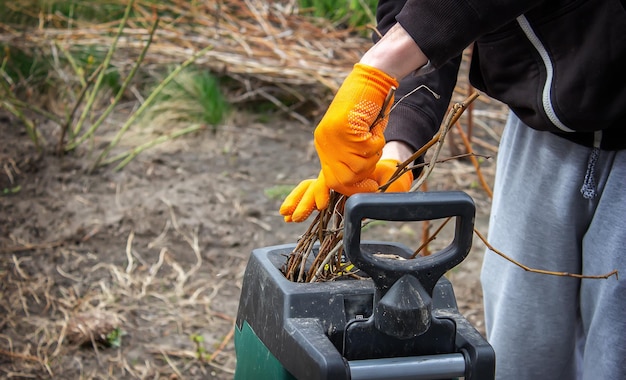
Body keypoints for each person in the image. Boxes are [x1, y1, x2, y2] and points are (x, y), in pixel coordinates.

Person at [279, 0, 626, 379]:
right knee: (519, 347)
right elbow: (416, 13)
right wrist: (395, 150)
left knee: (615, 353)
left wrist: (383, 63)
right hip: (541, 134)